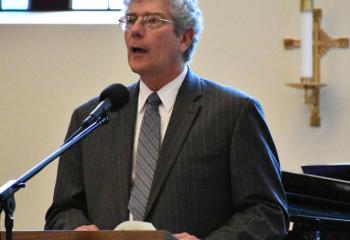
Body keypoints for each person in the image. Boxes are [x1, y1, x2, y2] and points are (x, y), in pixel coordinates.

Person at [45, 0, 289, 239]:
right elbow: (62, 210)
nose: (136, 31)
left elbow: (266, 214)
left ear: (184, 38)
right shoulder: (94, 117)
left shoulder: (233, 112)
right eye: (130, 20)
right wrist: (77, 229)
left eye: (152, 20)